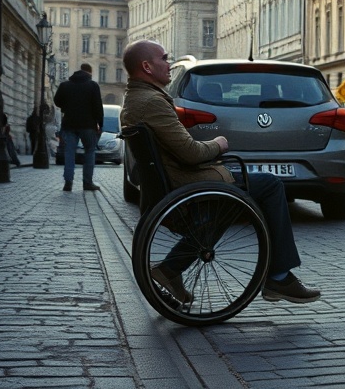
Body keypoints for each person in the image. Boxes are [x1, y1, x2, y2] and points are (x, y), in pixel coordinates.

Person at [120, 39, 320, 304]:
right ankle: (279, 277)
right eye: (164, 58)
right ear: (146, 66)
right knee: (270, 185)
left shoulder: (137, 99)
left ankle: (170, 269)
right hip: (188, 183)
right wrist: (218, 144)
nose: (169, 64)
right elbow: (190, 152)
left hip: (177, 183)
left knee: (232, 200)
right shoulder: (152, 102)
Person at [53, 63, 103, 192]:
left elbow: (57, 101)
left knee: (69, 152)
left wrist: (67, 105)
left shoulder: (65, 85)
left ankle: (68, 182)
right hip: (88, 125)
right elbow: (98, 106)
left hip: (69, 123)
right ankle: (87, 183)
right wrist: (100, 124)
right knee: (90, 152)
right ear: (90, 73)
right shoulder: (92, 85)